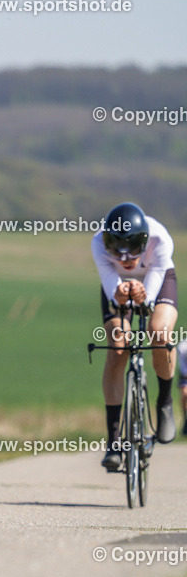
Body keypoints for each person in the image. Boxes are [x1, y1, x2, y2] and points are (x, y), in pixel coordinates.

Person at [93, 202, 178, 471]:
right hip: (117, 283)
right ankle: (114, 440)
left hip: (158, 278)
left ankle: (164, 401)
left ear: (144, 241)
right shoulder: (97, 241)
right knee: (118, 347)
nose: (126, 259)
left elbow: (149, 297)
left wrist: (144, 296)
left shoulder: (160, 239)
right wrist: (120, 292)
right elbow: (111, 285)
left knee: (159, 333)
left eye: (132, 250)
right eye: (117, 251)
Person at [178, 338, 187, 437]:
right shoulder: (183, 346)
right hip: (185, 377)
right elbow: (182, 366)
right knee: (185, 393)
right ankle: (185, 420)